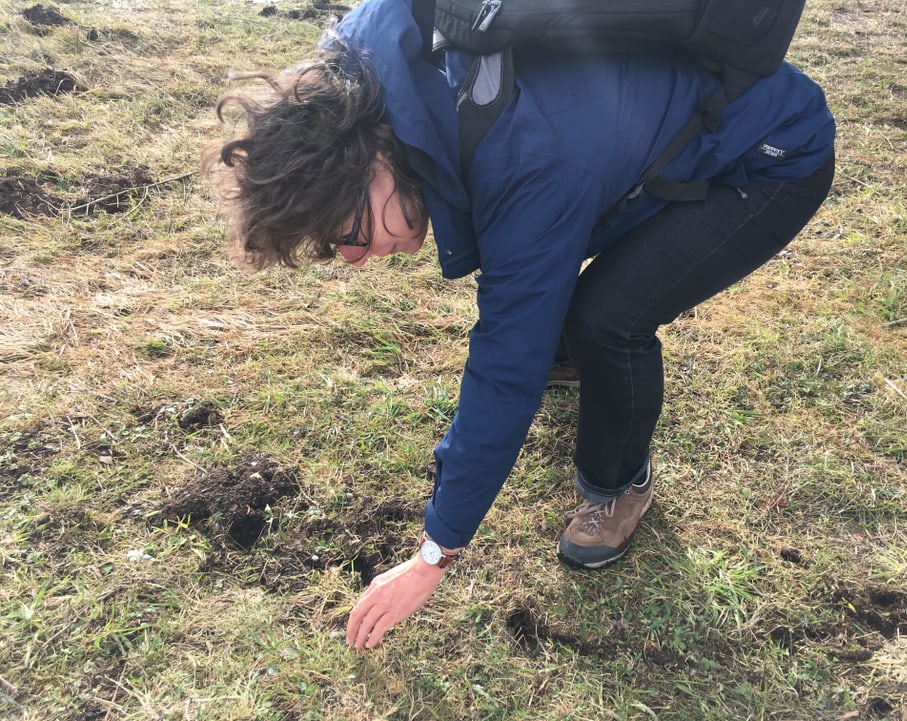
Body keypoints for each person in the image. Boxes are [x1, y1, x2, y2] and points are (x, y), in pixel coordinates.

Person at [203, 0, 835, 650]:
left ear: (366, 164)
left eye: (347, 232)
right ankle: (569, 354)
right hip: (638, 135)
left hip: (768, 156)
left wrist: (435, 552)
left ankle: (619, 485)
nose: (356, 257)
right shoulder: (378, 51)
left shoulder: (524, 158)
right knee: (544, 280)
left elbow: (505, 367)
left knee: (609, 316)